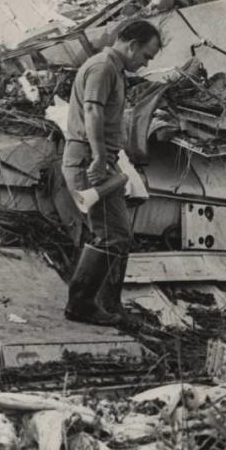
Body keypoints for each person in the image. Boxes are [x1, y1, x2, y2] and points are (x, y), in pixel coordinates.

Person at [62, 19, 162, 325]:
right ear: (132, 45)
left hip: (102, 159)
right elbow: (93, 111)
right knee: (111, 234)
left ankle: (105, 304)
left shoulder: (113, 70)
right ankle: (81, 305)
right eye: (146, 56)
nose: (145, 64)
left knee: (118, 234)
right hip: (91, 159)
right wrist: (99, 156)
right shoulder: (103, 67)